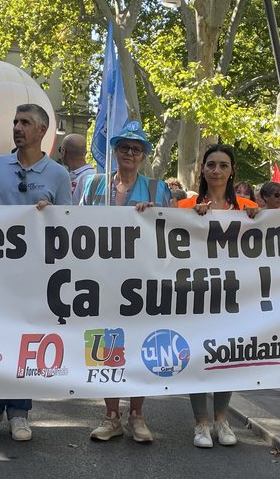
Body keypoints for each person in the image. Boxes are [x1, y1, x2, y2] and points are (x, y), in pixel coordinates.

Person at [0, 103, 72, 442]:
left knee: (26, 338)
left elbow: (69, 224)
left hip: (36, 272)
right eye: (15, 122)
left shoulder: (58, 175)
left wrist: (51, 213)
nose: (17, 127)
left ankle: (19, 412)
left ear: (42, 130)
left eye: (25, 122)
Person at [80, 121, 170, 444]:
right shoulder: (93, 185)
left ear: (143, 155)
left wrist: (154, 214)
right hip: (101, 280)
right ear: (114, 151)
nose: (129, 153)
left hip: (142, 282)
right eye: (123, 147)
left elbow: (173, 232)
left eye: (136, 149)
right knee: (106, 344)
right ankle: (111, 416)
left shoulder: (158, 188)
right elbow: (74, 223)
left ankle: (137, 415)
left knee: (140, 345)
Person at [178, 144, 259, 448]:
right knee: (199, 355)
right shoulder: (185, 206)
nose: (216, 170)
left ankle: (222, 419)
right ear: (202, 169)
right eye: (211, 164)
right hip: (196, 293)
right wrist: (191, 219)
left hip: (234, 295)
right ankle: (201, 422)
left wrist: (257, 218)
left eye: (223, 165)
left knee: (228, 355)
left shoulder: (248, 207)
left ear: (232, 170)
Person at [59, 133, 95, 205]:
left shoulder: (89, 177)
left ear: (63, 151)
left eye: (60, 149)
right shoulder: (92, 176)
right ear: (85, 152)